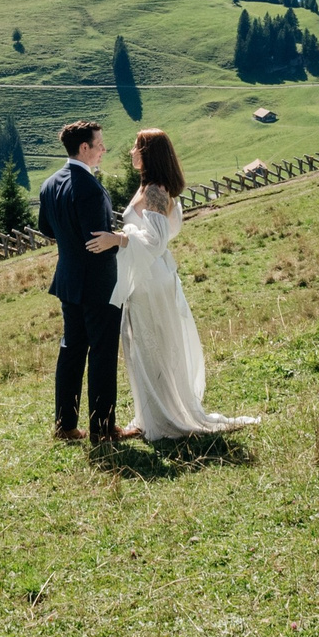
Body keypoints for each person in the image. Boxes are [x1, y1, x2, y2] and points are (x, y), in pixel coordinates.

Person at [112, 128, 257, 439]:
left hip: (151, 280)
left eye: (136, 147)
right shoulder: (149, 188)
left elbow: (156, 241)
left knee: (154, 346)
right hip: (148, 277)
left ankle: (165, 416)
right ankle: (151, 414)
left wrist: (120, 239)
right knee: (146, 347)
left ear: (148, 153)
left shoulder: (155, 191)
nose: (132, 152)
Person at [40, 119, 134, 442]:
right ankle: (103, 429)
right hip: (97, 285)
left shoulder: (49, 184)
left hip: (68, 280)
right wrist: (123, 242)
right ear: (84, 147)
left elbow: (46, 228)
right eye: (99, 144)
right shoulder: (90, 188)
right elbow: (98, 241)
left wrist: (70, 241)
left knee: (71, 350)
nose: (104, 149)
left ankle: (65, 426)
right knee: (102, 353)